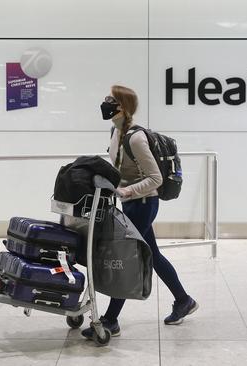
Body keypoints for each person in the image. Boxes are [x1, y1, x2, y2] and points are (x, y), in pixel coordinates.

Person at [81, 85, 198, 339]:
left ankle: (111, 320)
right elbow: (118, 166)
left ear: (122, 106)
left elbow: (155, 177)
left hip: (144, 204)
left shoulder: (136, 137)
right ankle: (183, 300)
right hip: (131, 203)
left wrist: (127, 191)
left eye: (110, 100)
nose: (105, 103)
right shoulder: (115, 130)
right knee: (152, 254)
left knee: (125, 256)